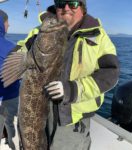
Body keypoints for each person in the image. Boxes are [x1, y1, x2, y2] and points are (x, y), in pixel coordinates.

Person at [44, 0, 120, 150]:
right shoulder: (41, 30)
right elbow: (20, 52)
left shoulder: (99, 35)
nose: (66, 8)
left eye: (72, 3)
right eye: (60, 3)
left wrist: (72, 89)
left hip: (72, 119)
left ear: (82, 7)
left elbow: (111, 73)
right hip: (39, 111)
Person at [0, 9, 20, 150]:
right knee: (8, 123)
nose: (9, 26)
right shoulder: (11, 47)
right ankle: (8, 141)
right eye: (7, 23)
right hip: (8, 97)